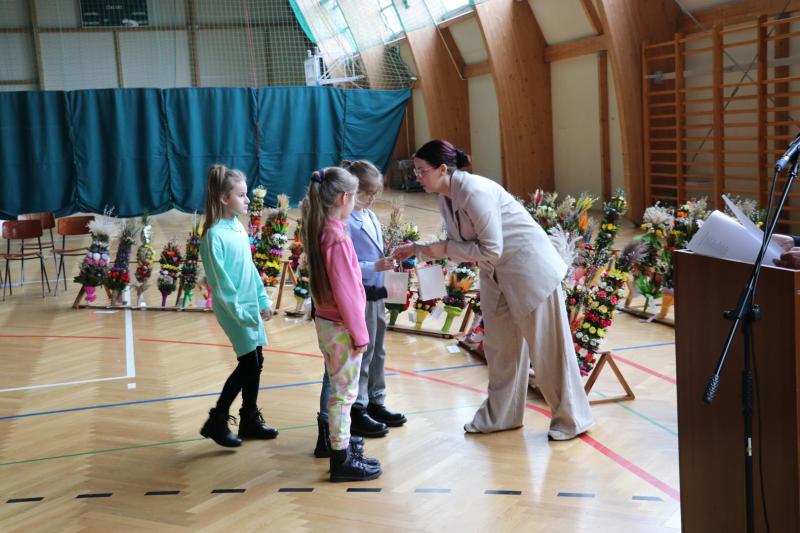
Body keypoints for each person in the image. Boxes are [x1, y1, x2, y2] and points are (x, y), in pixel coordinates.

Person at [392, 140, 595, 441]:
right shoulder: (445, 197)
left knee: (548, 348)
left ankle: (572, 419)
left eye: (422, 171)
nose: (416, 177)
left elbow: (490, 248)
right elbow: (464, 245)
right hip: (495, 273)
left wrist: (441, 249)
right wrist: (419, 248)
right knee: (500, 348)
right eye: (416, 171)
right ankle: (502, 416)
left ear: (443, 169)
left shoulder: (475, 192)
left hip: (529, 269)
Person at [301, 166, 382, 482]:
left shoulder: (322, 228)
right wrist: (360, 334)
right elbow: (346, 291)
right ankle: (340, 459)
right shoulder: (336, 237)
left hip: (328, 322)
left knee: (340, 391)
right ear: (344, 198)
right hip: (342, 327)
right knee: (344, 395)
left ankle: (344, 448)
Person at [198, 164, 279, 448]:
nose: (248, 200)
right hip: (233, 311)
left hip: (249, 307)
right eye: (241, 195)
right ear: (224, 198)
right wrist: (242, 314)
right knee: (249, 364)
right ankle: (217, 419)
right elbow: (221, 286)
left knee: (256, 360)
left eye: (247, 194)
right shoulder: (213, 235)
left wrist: (262, 300)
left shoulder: (238, 228)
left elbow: (250, 270)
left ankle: (249, 419)